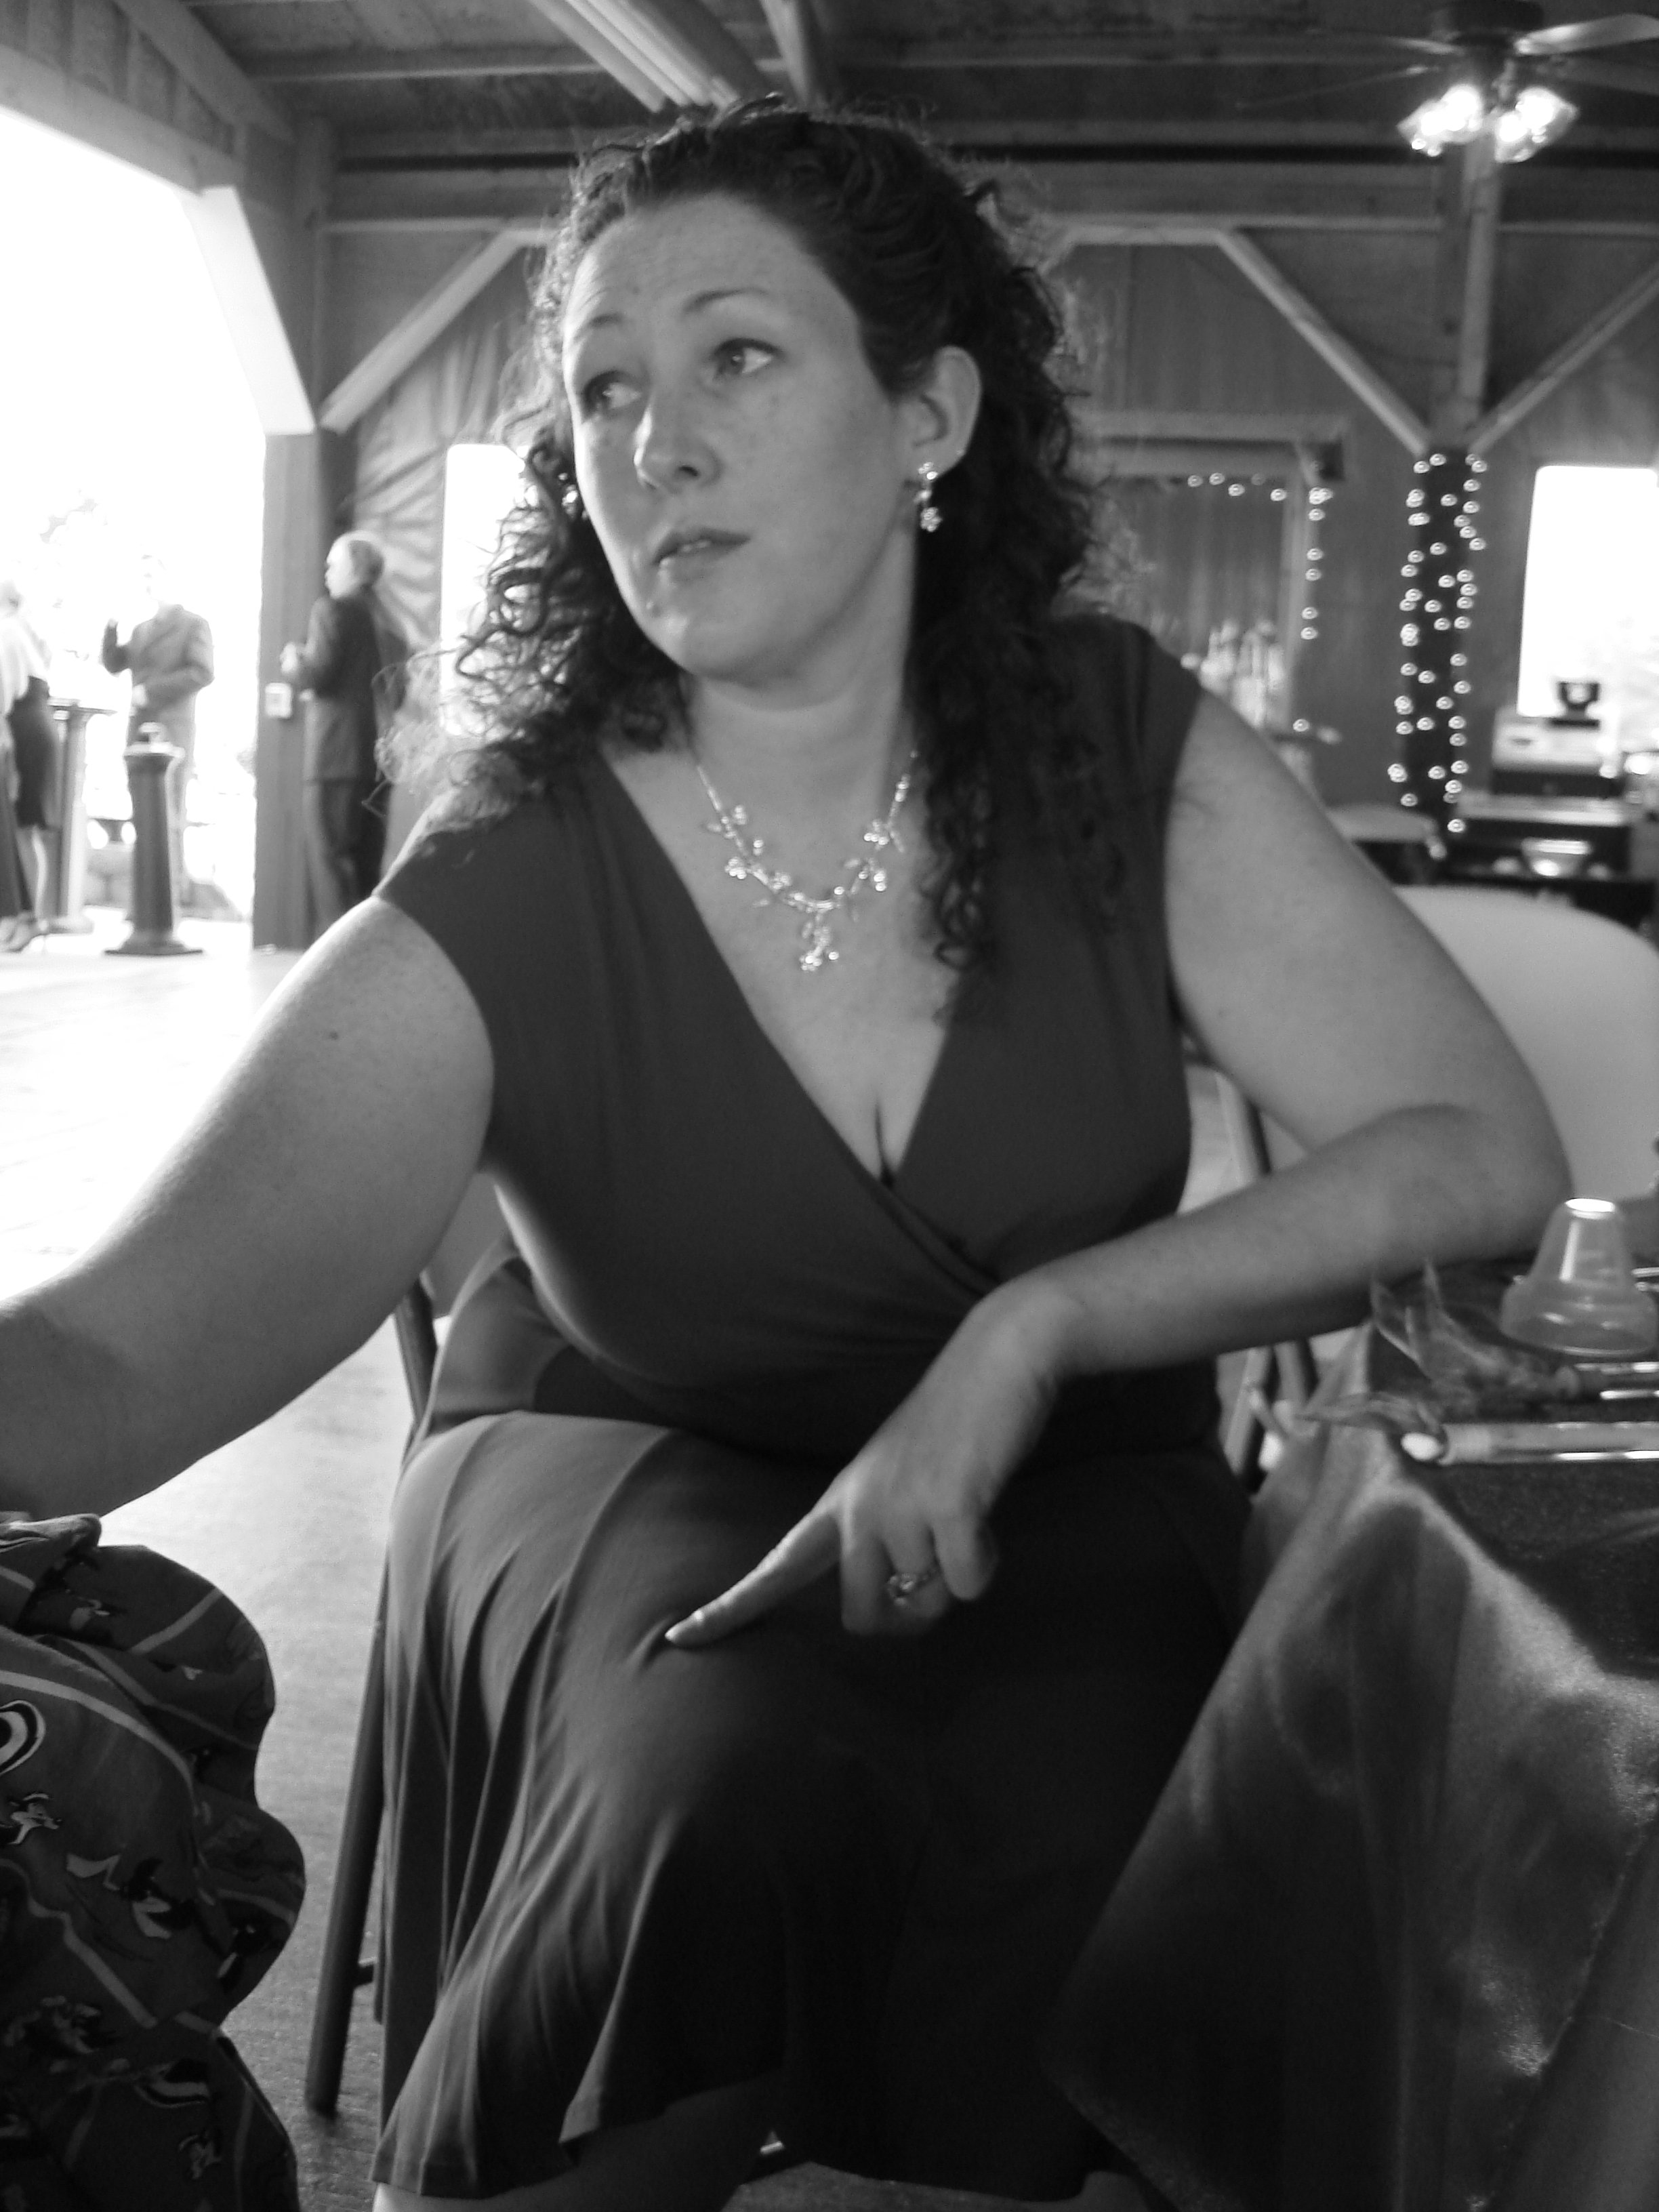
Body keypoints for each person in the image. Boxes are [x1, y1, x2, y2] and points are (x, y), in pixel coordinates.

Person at [0, 102, 1568, 2212]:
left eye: (735, 355)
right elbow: (120, 1353)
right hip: (634, 1452)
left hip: (1076, 1482)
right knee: (723, 1785)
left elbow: (1478, 1145)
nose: (654, 443)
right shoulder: (523, 852)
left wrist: (1036, 1325)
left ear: (931, 413)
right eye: (604, 390)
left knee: (1117, 1807)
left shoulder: (1112, 744)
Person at [280, 531, 409, 937]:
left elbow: (319, 673)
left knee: (331, 861)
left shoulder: (332, 610)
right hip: (380, 759)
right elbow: (398, 693)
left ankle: (333, 958)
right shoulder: (393, 623)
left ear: (354, 569)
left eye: (333, 564)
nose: (326, 571)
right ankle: (366, 954)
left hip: (336, 755)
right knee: (368, 865)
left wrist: (295, 662)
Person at [100, 557, 213, 906]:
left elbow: (202, 673)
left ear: (170, 579)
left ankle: (169, 899)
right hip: (139, 730)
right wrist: (111, 625)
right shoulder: (141, 630)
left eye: (151, 575)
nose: (145, 583)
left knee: (169, 811)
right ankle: (144, 901)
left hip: (172, 730)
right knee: (142, 810)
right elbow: (114, 663)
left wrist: (152, 692)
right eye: (141, 577)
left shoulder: (193, 624)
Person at [0, 579, 58, 953]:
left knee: (23, 827)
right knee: (24, 828)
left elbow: (4, 694)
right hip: (33, 725)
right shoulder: (19, 629)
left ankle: (29, 919)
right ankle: (25, 918)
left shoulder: (7, 631)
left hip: (24, 730)